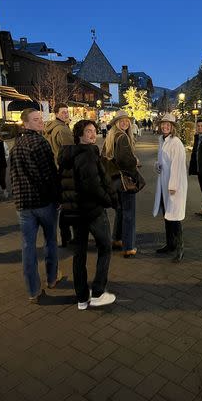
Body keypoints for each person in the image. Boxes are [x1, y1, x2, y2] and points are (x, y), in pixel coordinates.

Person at [58, 120, 117, 310]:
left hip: (75, 212)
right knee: (105, 247)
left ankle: (82, 298)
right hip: (92, 211)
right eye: (88, 131)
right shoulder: (87, 155)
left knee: (79, 254)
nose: (92, 134)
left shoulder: (68, 154)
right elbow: (92, 186)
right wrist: (109, 200)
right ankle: (98, 293)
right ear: (80, 135)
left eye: (93, 131)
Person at [10, 109, 61, 303]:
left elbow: (13, 176)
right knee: (50, 240)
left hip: (23, 205)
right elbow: (49, 176)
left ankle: (33, 289)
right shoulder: (40, 143)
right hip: (42, 202)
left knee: (27, 246)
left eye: (41, 118)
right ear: (26, 124)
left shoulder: (16, 146)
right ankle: (52, 278)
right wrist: (57, 198)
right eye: (36, 120)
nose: (41, 122)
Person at [102, 110, 140, 258]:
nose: (125, 122)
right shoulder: (122, 137)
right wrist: (135, 161)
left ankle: (117, 239)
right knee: (129, 213)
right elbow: (125, 161)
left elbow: (105, 160)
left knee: (120, 211)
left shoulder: (110, 137)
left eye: (127, 120)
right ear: (116, 122)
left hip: (114, 180)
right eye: (121, 120)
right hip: (124, 181)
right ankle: (129, 246)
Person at [153, 113, 187, 262]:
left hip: (174, 185)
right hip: (163, 183)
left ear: (172, 127)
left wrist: (173, 185)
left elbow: (177, 166)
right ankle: (170, 244)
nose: (165, 126)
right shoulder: (162, 139)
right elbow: (162, 159)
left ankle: (180, 248)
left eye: (168, 124)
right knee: (167, 215)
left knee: (174, 217)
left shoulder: (176, 142)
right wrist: (157, 165)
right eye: (163, 124)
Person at [44, 103, 74, 247]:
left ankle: (65, 236)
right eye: (63, 112)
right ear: (56, 114)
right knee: (68, 205)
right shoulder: (62, 129)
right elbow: (70, 153)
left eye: (67, 112)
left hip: (55, 169)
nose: (66, 114)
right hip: (64, 170)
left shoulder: (50, 128)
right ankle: (67, 236)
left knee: (64, 205)